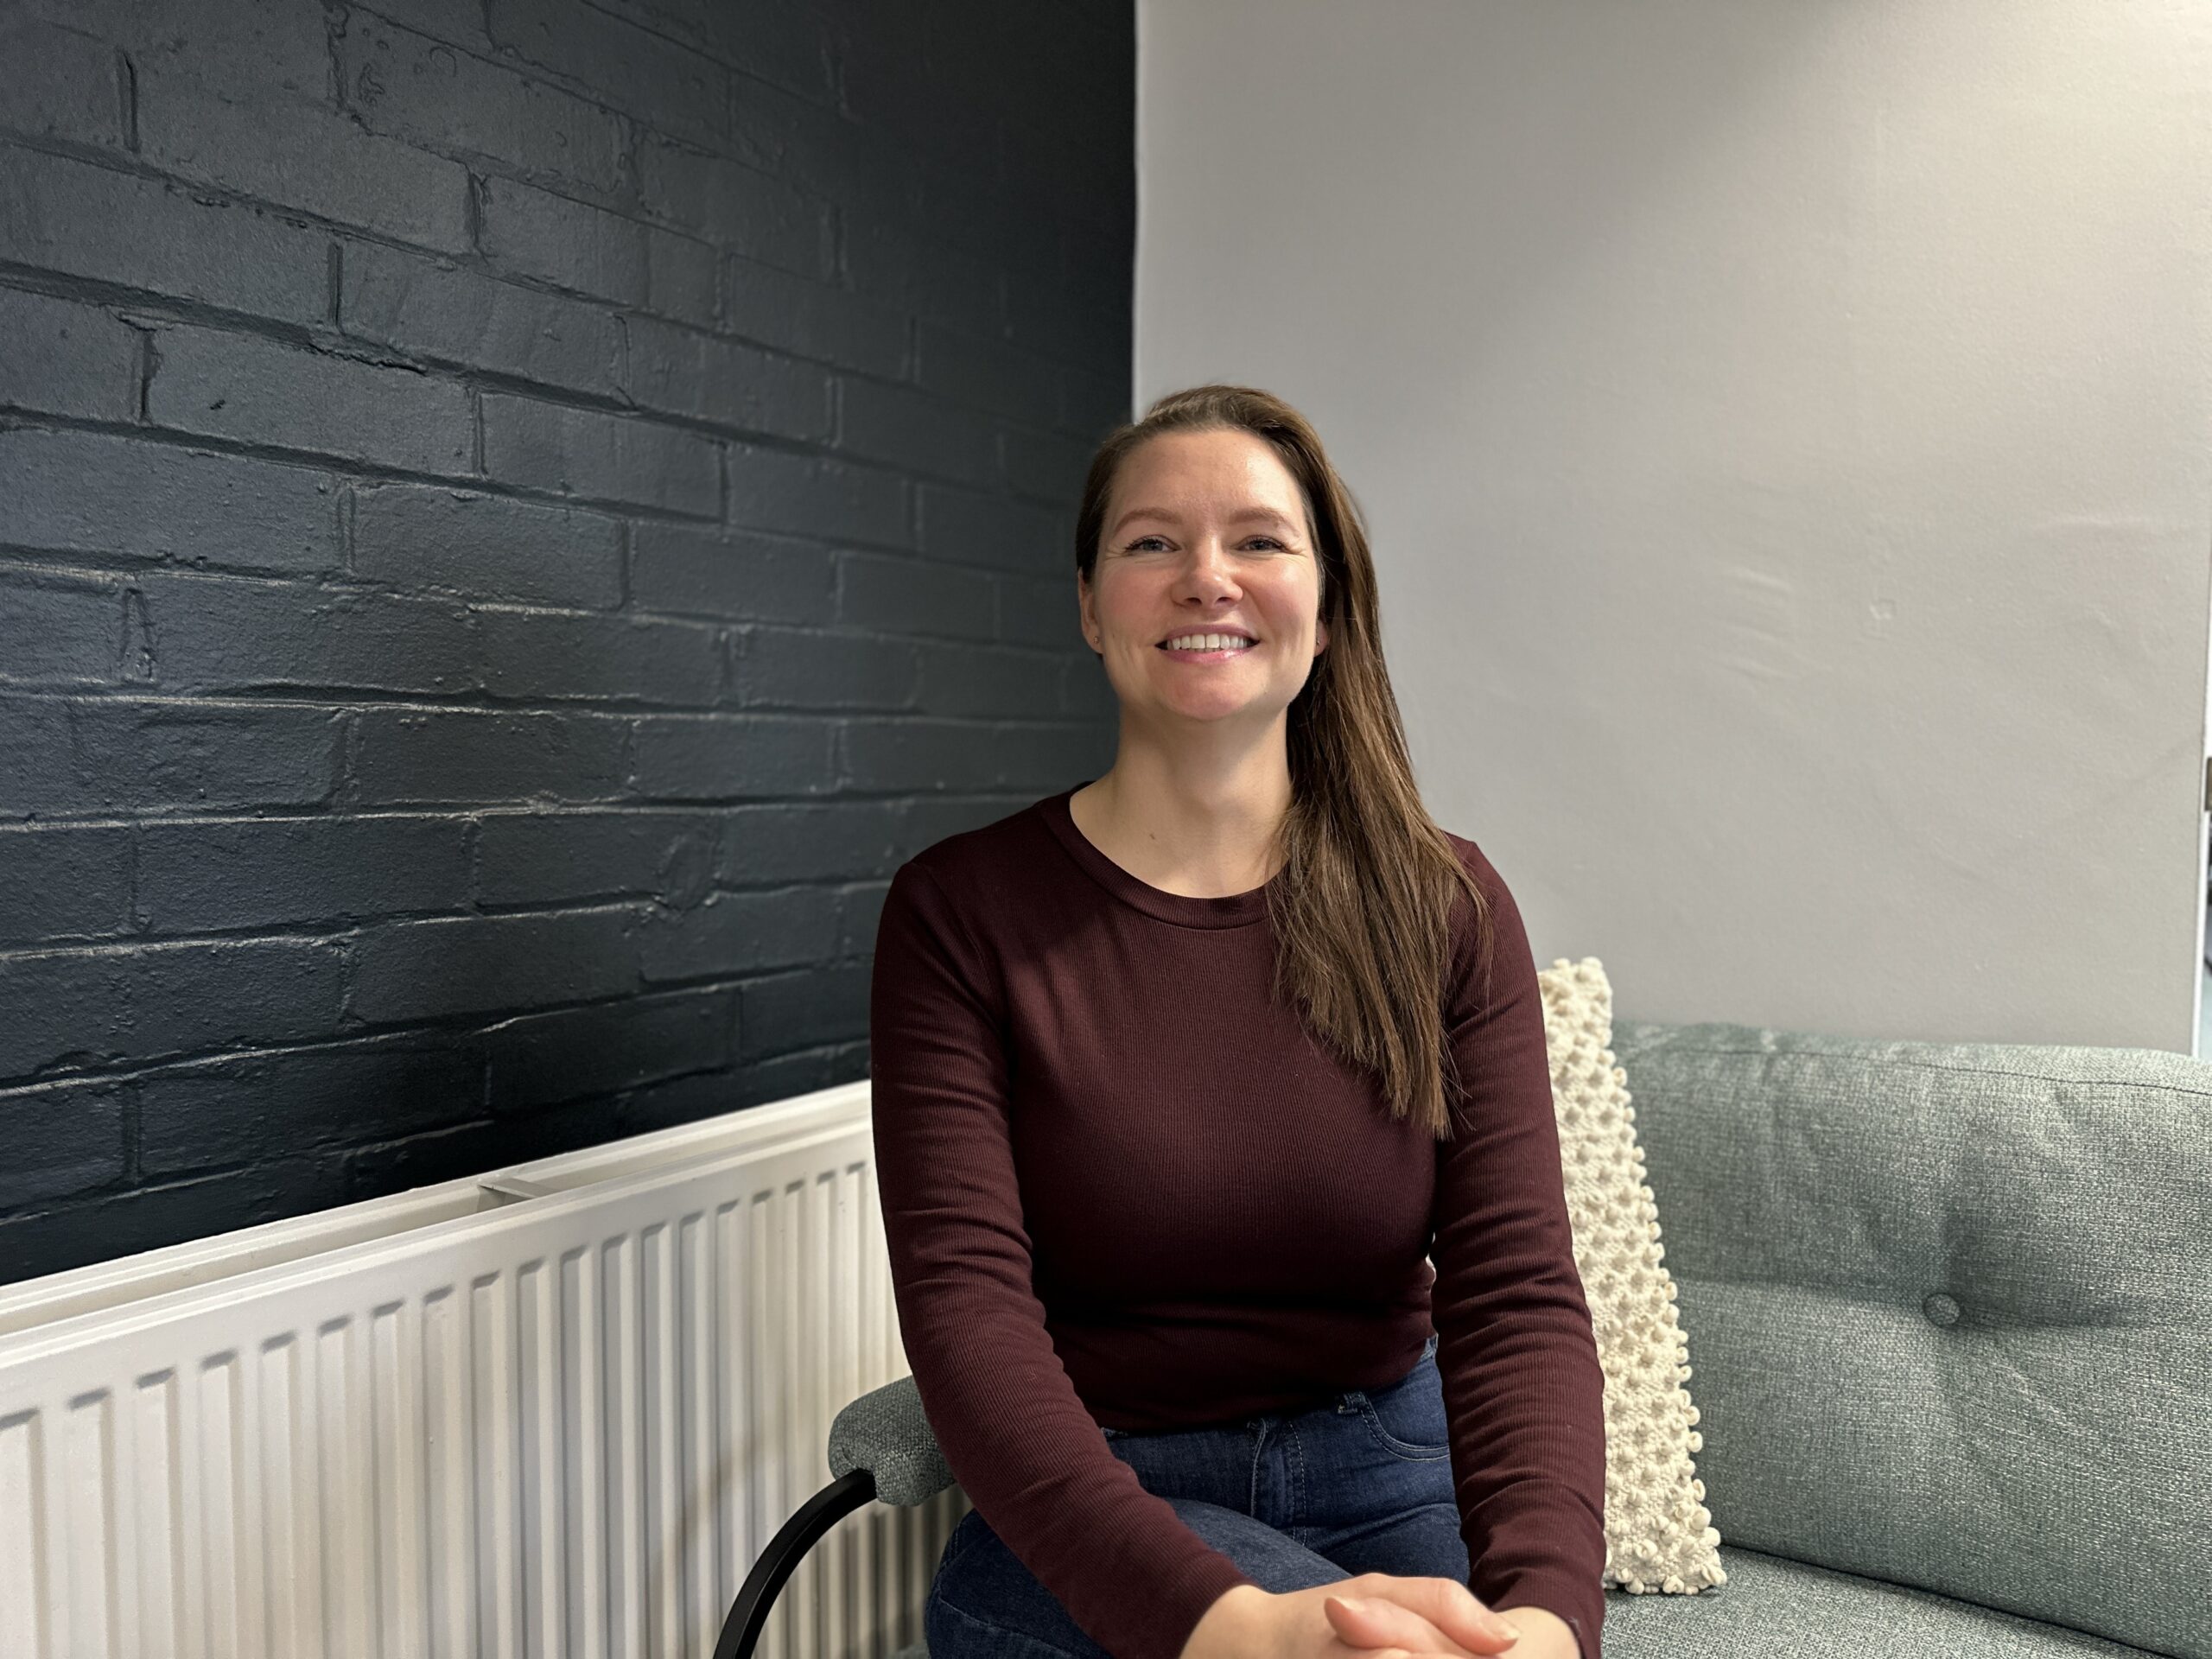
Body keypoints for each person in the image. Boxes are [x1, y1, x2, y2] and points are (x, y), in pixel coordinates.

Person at [868, 384, 1605, 1659]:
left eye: (1259, 540)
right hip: (1101, 1498)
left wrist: (1547, 1623)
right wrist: (1231, 1629)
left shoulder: (1448, 905)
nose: (1207, 577)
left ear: (1327, 610)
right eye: (1152, 542)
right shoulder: (960, 913)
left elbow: (1515, 1295)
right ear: (1091, 605)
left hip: (1391, 1464)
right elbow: (967, 1311)